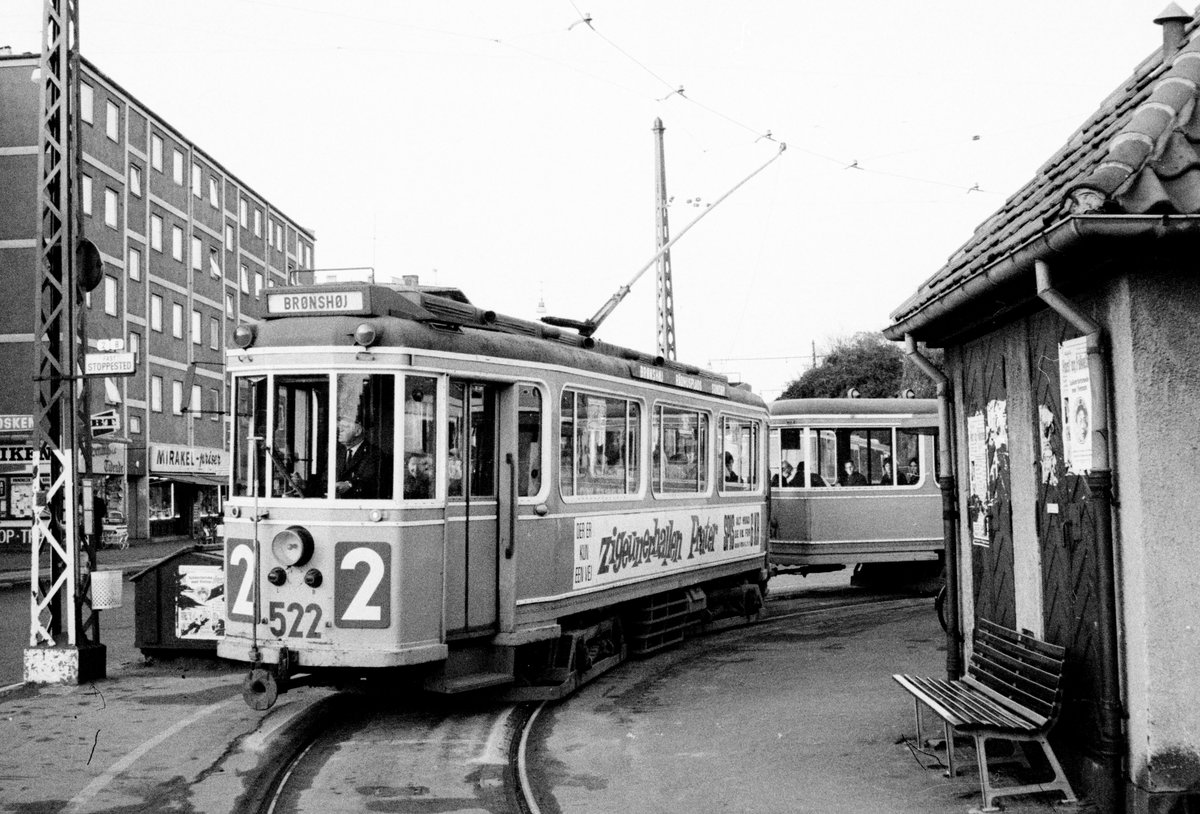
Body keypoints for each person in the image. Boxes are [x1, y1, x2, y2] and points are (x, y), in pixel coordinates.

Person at [335, 415, 383, 498]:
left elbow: (370, 480)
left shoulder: (373, 453)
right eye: (340, 426)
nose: (340, 430)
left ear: (358, 431)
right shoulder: (337, 453)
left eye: (345, 427)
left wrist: (349, 484)